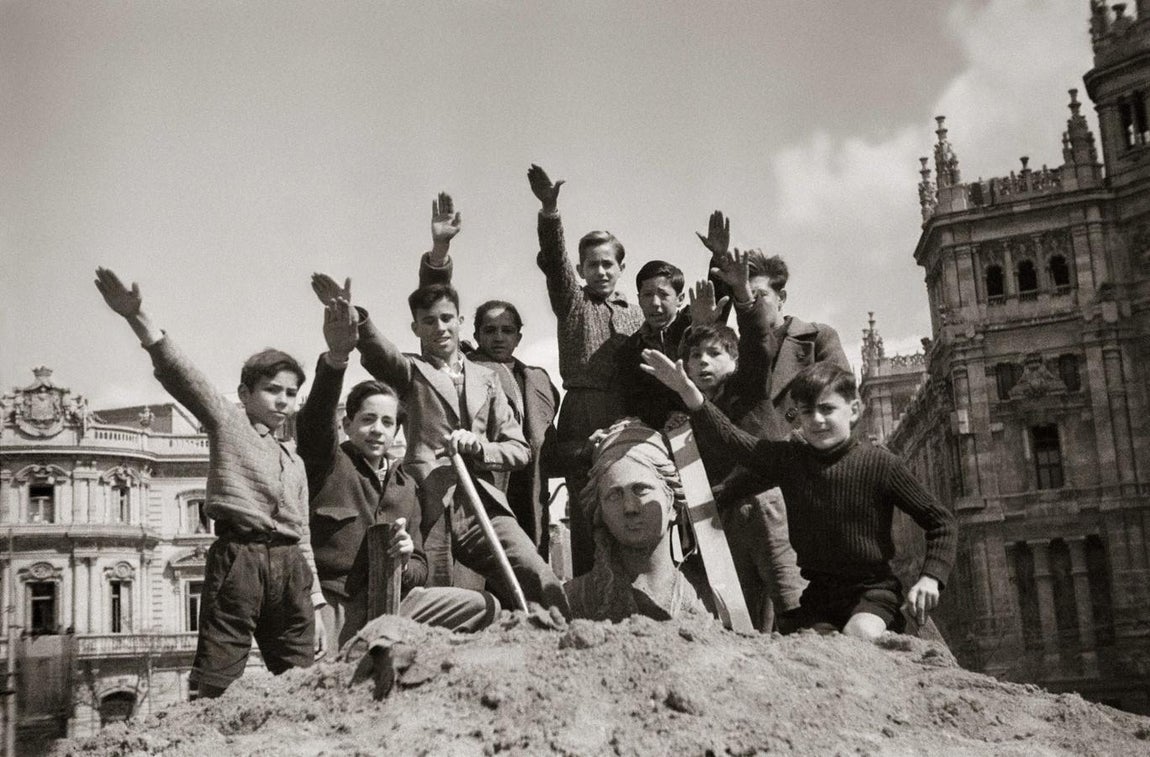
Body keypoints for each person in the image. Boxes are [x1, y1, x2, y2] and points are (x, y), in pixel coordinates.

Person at [94, 267, 326, 698]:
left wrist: (314, 599)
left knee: (302, 679)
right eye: (273, 389)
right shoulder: (229, 424)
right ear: (244, 393)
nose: (284, 401)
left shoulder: (294, 461)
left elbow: (304, 534)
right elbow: (187, 379)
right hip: (240, 559)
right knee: (217, 682)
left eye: (292, 393)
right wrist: (137, 319)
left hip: (291, 568)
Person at [641, 355, 956, 640]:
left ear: (855, 410)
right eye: (808, 412)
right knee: (813, 647)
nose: (817, 420)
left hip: (872, 592)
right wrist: (690, 395)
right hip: (817, 596)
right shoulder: (790, 459)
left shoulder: (881, 464)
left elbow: (941, 521)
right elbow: (735, 441)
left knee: (859, 634)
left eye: (827, 409)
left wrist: (931, 578)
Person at [310, 274, 569, 616]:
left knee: (532, 570)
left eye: (447, 318)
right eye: (428, 321)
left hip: (481, 505)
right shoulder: (410, 370)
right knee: (435, 592)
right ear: (416, 328)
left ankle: (564, 641)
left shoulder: (487, 379)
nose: (440, 327)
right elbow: (379, 352)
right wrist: (356, 319)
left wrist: (480, 446)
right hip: (426, 506)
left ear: (460, 323)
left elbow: (519, 449)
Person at [295, 298, 501, 650]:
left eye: (387, 423)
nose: (377, 430)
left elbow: (420, 569)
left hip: (395, 607)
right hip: (338, 603)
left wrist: (406, 559)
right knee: (329, 669)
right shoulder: (328, 464)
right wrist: (336, 359)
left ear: (397, 433)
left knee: (485, 606)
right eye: (367, 420)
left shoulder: (407, 485)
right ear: (347, 425)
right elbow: (314, 421)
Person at [417, 193, 561, 557]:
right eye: (490, 330)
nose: (499, 337)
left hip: (530, 495)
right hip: (478, 490)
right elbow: (433, 305)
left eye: (507, 330)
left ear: (519, 336)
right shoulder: (461, 368)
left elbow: (548, 443)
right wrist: (439, 254)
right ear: (475, 334)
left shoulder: (540, 381)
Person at [676, 247, 805, 631]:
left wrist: (744, 298)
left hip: (769, 508)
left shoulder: (748, 387)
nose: (702, 362)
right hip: (727, 519)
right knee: (743, 620)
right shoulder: (690, 413)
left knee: (794, 605)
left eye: (714, 353)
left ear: (733, 361)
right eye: (695, 355)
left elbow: (757, 342)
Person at [529, 164, 644, 576]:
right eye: (592, 265)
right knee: (588, 508)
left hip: (628, 413)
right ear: (581, 270)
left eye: (609, 264)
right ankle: (590, 594)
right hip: (583, 413)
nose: (601, 271)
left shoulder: (636, 315)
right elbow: (555, 261)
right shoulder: (573, 303)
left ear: (621, 268)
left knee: (631, 505)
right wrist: (550, 211)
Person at [564, 421, 714, 622]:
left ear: (672, 502)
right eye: (615, 495)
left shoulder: (709, 599)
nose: (630, 508)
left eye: (641, 490)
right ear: (600, 512)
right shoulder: (572, 599)